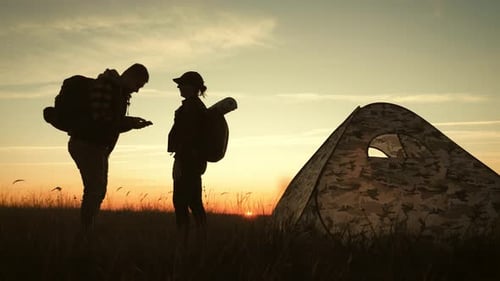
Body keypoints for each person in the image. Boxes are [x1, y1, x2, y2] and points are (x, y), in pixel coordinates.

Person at [68, 63, 152, 232]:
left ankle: (88, 228)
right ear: (130, 76)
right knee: (95, 189)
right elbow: (100, 118)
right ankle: (86, 231)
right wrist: (129, 123)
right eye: (138, 85)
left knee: (98, 189)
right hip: (87, 144)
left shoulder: (118, 91)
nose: (137, 90)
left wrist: (130, 122)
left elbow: (110, 121)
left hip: (96, 146)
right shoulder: (106, 86)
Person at [167, 71, 208, 243]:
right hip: (194, 161)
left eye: (182, 84)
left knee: (181, 202)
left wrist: (179, 161)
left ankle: (183, 240)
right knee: (194, 202)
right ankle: (200, 238)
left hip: (187, 160)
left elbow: (187, 137)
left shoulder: (191, 108)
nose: (178, 87)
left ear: (191, 87)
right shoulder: (197, 107)